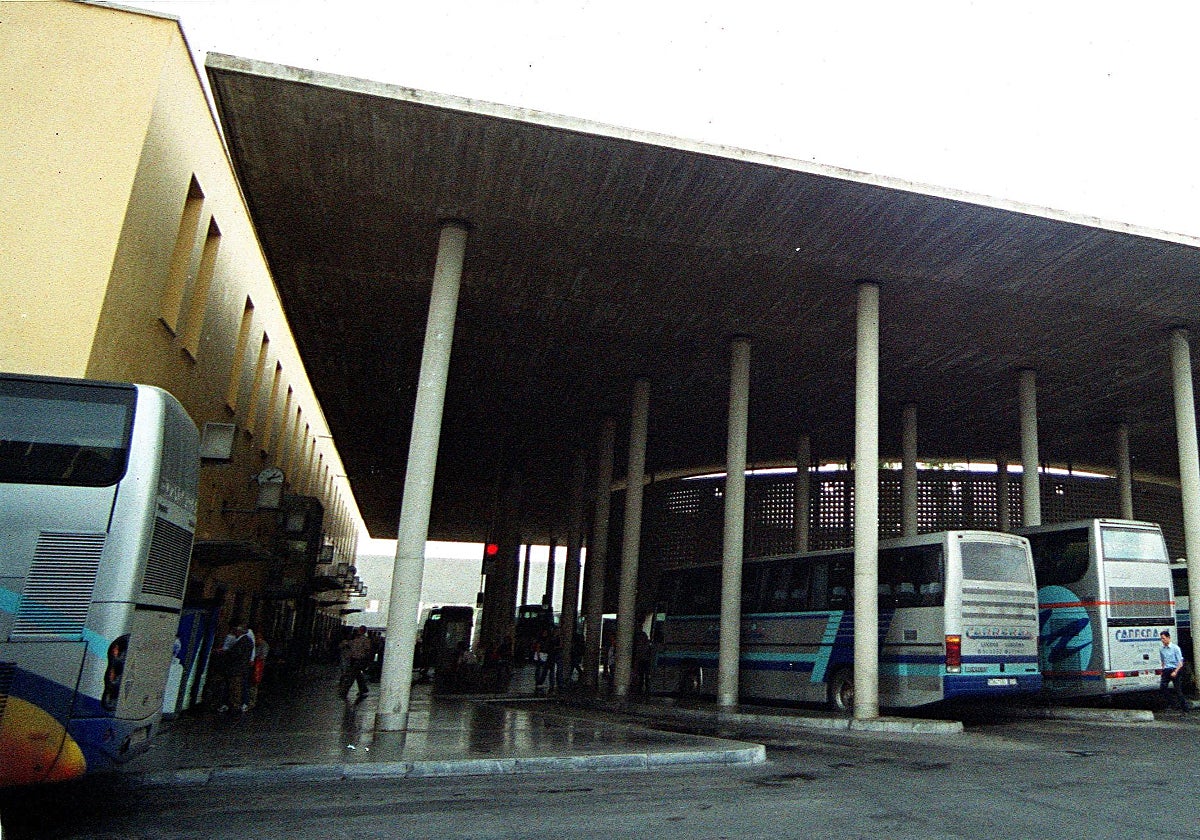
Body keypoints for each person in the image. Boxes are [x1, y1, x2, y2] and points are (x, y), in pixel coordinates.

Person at [218, 625, 254, 713]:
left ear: (239, 632)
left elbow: (236, 654)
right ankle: (240, 704)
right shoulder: (248, 641)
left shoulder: (242, 641)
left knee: (235, 686)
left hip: (237, 668)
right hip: (242, 668)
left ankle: (235, 704)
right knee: (241, 685)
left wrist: (225, 653)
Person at [339, 625, 373, 702]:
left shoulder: (362, 640)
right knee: (358, 675)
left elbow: (367, 651)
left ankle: (344, 691)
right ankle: (363, 689)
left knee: (351, 675)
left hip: (358, 659)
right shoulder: (358, 639)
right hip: (355, 659)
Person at [1159, 630, 1189, 713]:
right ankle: (1172, 704)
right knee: (1163, 687)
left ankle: (1185, 708)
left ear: (1168, 638)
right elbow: (1163, 660)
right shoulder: (1162, 649)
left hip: (1175, 669)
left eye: (1164, 638)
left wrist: (1175, 671)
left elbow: (1180, 662)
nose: (1162, 640)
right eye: (1161, 638)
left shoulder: (1175, 648)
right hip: (1166, 669)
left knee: (1178, 690)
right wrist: (1163, 669)